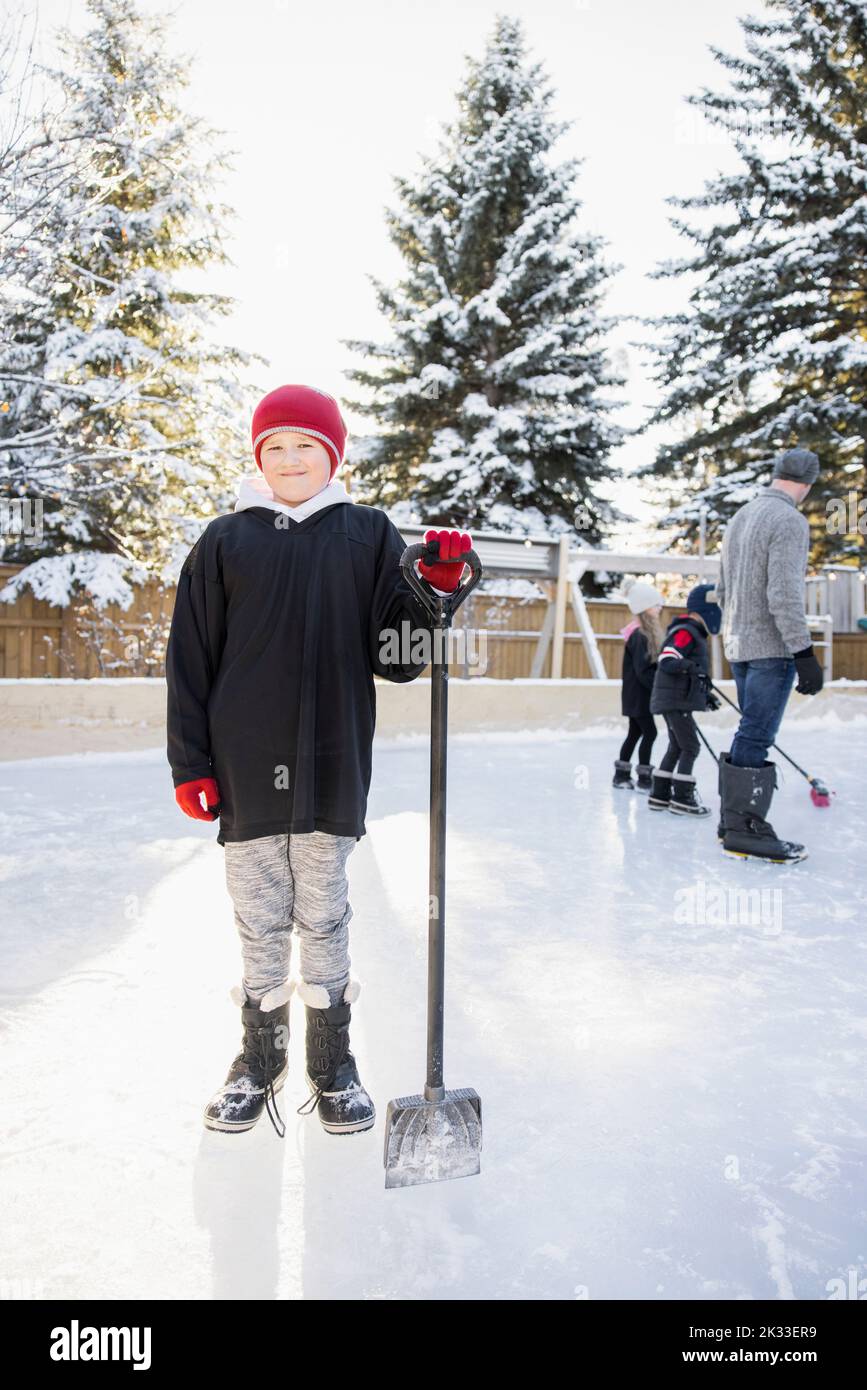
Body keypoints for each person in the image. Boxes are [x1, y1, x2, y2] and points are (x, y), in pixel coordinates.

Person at [165, 384, 472, 1138]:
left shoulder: (366, 534)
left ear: (333, 454)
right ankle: (257, 1061)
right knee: (260, 917)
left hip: (331, 758)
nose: (290, 459)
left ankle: (332, 1066)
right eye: (275, 447)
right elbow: (189, 660)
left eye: (306, 445)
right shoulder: (224, 540)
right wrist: (190, 763)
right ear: (257, 458)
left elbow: (396, 658)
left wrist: (433, 590)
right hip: (242, 762)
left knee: (325, 912)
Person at [716, 448, 823, 864]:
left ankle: (732, 824)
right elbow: (784, 594)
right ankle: (744, 829)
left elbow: (723, 590)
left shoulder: (740, 517)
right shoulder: (789, 521)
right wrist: (804, 652)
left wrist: (735, 631)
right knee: (756, 736)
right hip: (771, 649)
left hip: (739, 646)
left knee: (749, 732)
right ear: (807, 485)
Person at [648, 584, 722, 817]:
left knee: (678, 746)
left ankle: (659, 796)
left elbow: (687, 672)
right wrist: (695, 669)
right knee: (690, 746)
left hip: (676, 699)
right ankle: (682, 798)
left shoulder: (692, 632)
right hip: (674, 700)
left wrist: (704, 694)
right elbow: (668, 659)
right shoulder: (685, 632)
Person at [613, 581, 665, 792]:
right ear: (645, 609)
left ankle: (621, 776)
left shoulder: (642, 635)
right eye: (655, 605)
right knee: (649, 733)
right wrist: (659, 687)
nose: (660, 608)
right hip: (639, 696)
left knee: (635, 733)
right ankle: (644, 779)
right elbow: (643, 670)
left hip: (636, 695)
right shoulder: (640, 637)